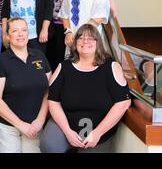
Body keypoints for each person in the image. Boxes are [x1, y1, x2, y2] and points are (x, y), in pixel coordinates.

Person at [40, 24, 131, 153]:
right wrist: (67, 131)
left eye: (90, 38)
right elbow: (53, 101)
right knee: (50, 145)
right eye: (80, 38)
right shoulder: (64, 66)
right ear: (75, 42)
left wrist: (97, 133)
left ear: (98, 42)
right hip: (67, 123)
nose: (85, 41)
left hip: (98, 129)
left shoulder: (111, 67)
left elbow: (123, 103)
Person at [0, 17, 51, 153]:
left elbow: (49, 91)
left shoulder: (39, 56)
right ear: (8, 35)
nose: (21, 34)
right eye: (15, 31)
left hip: (35, 126)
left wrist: (40, 120)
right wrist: (20, 125)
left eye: (24, 30)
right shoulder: (0, 61)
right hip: (7, 125)